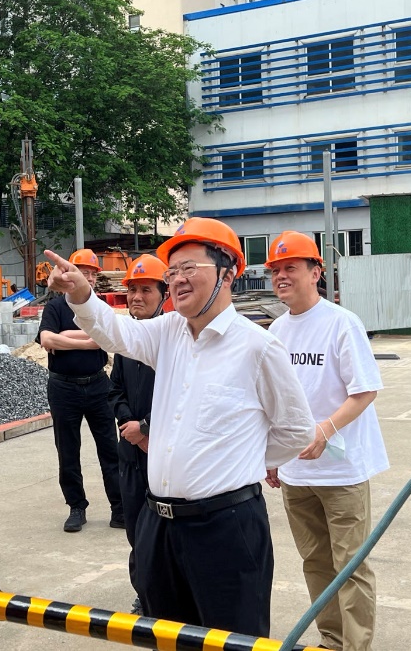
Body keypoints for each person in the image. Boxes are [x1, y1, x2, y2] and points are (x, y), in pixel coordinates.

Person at [44, 218, 316, 638]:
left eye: (190, 267)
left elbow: (296, 430)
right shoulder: (167, 332)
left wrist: (242, 459)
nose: (177, 279)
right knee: (167, 637)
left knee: (231, 641)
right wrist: (81, 293)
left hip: (226, 528)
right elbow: (116, 333)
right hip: (159, 524)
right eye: (172, 271)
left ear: (228, 274)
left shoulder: (258, 347)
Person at [263, 231, 388, 651]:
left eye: (291, 268)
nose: (281, 276)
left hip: (341, 471)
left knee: (350, 565)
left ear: (316, 272)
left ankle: (356, 646)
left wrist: (325, 429)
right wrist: (272, 455)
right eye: (276, 270)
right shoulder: (277, 330)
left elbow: (365, 391)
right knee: (315, 562)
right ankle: (332, 641)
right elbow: (276, 400)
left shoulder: (341, 322)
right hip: (297, 473)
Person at [37, 248, 124, 533]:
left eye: (91, 274)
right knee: (68, 451)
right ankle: (76, 507)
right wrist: (87, 340)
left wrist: (65, 336)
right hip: (63, 387)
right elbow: (46, 339)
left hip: (98, 385)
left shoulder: (99, 306)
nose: (87, 277)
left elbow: (105, 340)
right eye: (82, 272)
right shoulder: (55, 307)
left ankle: (119, 507)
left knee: (110, 449)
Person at [108, 254, 167, 614]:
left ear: (163, 294)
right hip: (131, 454)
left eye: (146, 290)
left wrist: (146, 428)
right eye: (132, 290)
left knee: (164, 532)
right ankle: (143, 594)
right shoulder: (127, 342)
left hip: (164, 455)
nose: (137, 297)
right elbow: (115, 390)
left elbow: (182, 397)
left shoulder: (174, 339)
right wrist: (130, 425)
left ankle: (164, 597)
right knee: (135, 530)